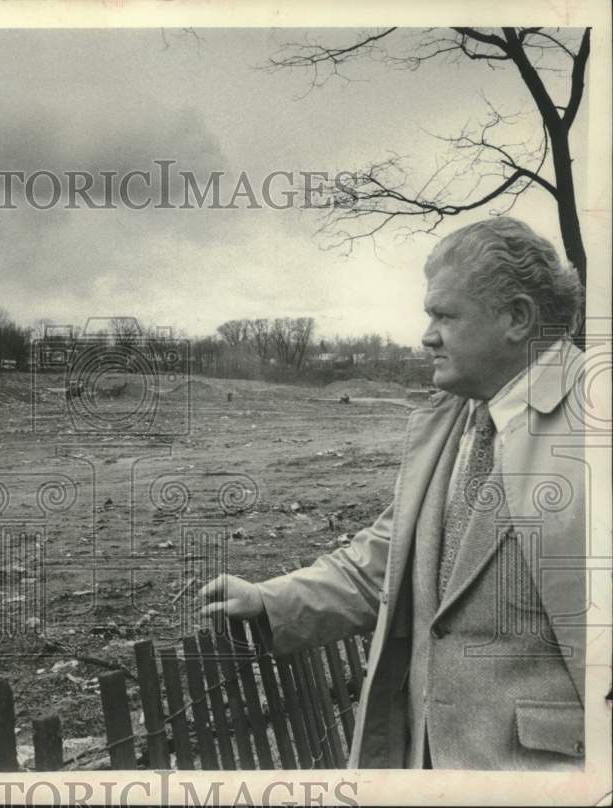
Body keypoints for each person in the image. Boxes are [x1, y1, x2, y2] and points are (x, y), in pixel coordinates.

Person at [200, 217, 590, 770]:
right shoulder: (458, 420)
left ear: (517, 318)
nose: (427, 335)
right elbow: (381, 567)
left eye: (443, 315)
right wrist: (269, 600)